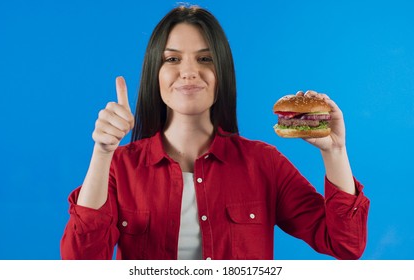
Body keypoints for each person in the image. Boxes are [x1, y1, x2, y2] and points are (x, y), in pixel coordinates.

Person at [60, 5, 370, 260]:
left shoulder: (263, 163)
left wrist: (335, 152)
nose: (189, 71)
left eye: (205, 58)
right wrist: (102, 153)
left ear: (222, 72)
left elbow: (345, 244)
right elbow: (80, 263)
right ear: (155, 72)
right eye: (172, 59)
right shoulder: (120, 167)